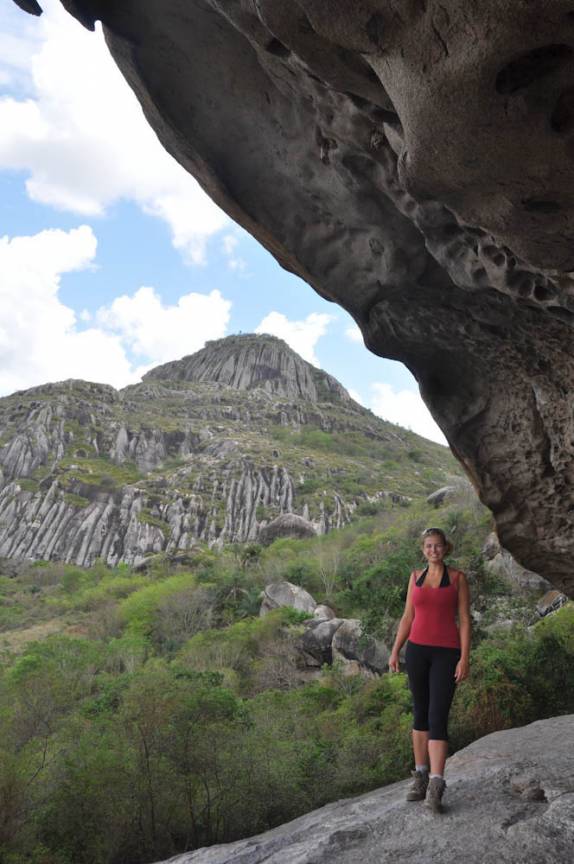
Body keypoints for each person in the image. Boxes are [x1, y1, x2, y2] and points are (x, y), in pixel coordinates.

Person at [388, 527, 471, 812]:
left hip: (446, 654)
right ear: (423, 549)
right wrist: (395, 649)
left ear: (446, 548)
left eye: (438, 546)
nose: (433, 550)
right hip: (418, 651)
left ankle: (436, 785)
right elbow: (408, 616)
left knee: (438, 716)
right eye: (428, 546)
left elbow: (464, 620)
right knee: (420, 712)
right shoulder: (415, 577)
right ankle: (420, 776)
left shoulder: (458, 579)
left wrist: (464, 658)